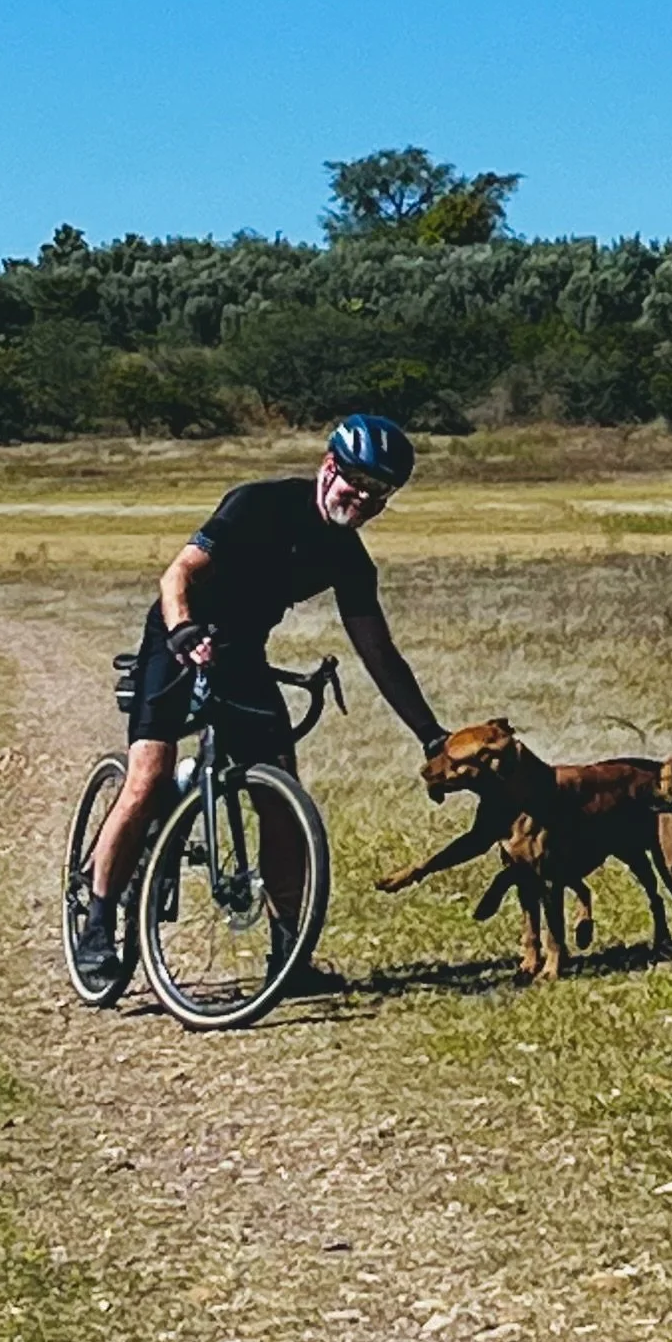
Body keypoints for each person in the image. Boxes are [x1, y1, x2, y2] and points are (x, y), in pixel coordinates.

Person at [71, 413, 449, 990]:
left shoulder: (349, 560)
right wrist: (181, 631)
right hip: (175, 638)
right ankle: (98, 924)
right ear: (329, 468)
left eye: (379, 494)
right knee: (148, 778)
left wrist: (429, 732)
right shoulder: (258, 505)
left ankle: (287, 956)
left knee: (281, 796)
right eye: (357, 483)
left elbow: (380, 654)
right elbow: (177, 575)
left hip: (240, 653)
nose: (364, 499)